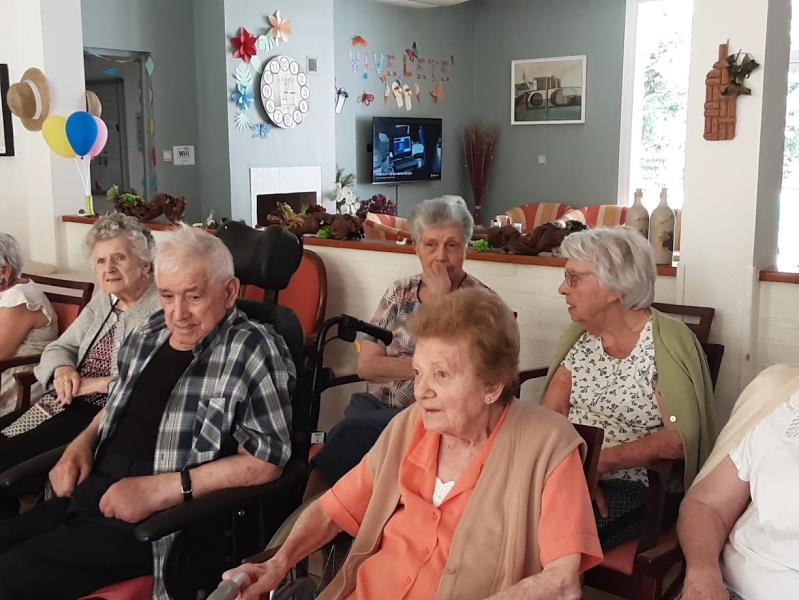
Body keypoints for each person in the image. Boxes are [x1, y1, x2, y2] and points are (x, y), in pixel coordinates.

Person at [225, 288, 602, 600]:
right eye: (418, 372)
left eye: (442, 375)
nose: (421, 392)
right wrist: (278, 563)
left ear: (492, 385)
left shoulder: (548, 447)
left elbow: (562, 581)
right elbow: (331, 510)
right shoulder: (409, 426)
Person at [0, 224, 295, 600]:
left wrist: (161, 490)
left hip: (156, 523)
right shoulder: (150, 333)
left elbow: (267, 460)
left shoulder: (252, 348)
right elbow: (117, 402)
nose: (178, 314)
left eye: (193, 296)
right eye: (167, 296)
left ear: (229, 292)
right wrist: (81, 444)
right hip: (85, 498)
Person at [541, 227, 715, 550]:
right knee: (502, 513)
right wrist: (570, 472)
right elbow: (549, 418)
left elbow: (680, 439)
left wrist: (600, 463)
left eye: (573, 278)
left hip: (641, 490)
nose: (562, 288)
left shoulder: (666, 343)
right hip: (569, 475)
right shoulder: (580, 337)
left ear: (613, 287)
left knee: (549, 533)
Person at [306, 195, 493, 498]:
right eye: (431, 245)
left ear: (466, 248)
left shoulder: (482, 304)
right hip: (374, 404)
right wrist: (426, 370)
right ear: (417, 248)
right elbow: (367, 366)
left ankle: (315, 512)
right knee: (356, 436)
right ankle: (331, 514)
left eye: (452, 245)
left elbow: (466, 373)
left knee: (350, 435)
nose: (441, 257)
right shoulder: (400, 292)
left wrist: (443, 302)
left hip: (430, 412)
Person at [0, 215, 161, 518]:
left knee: (6, 460)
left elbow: (154, 381)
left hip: (104, 415)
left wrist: (96, 384)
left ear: (145, 263)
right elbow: (60, 347)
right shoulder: (105, 300)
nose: (108, 268)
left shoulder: (162, 309)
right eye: (100, 260)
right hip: (61, 402)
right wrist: (63, 369)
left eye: (119, 258)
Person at [677, 364, 799, 600]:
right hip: (729, 589)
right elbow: (708, 505)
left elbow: (677, 438)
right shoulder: (779, 395)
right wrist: (703, 572)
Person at [0, 232, 58, 415]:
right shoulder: (9, 291)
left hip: (18, 378)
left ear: (4, 271)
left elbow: (1, 353)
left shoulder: (19, 299)